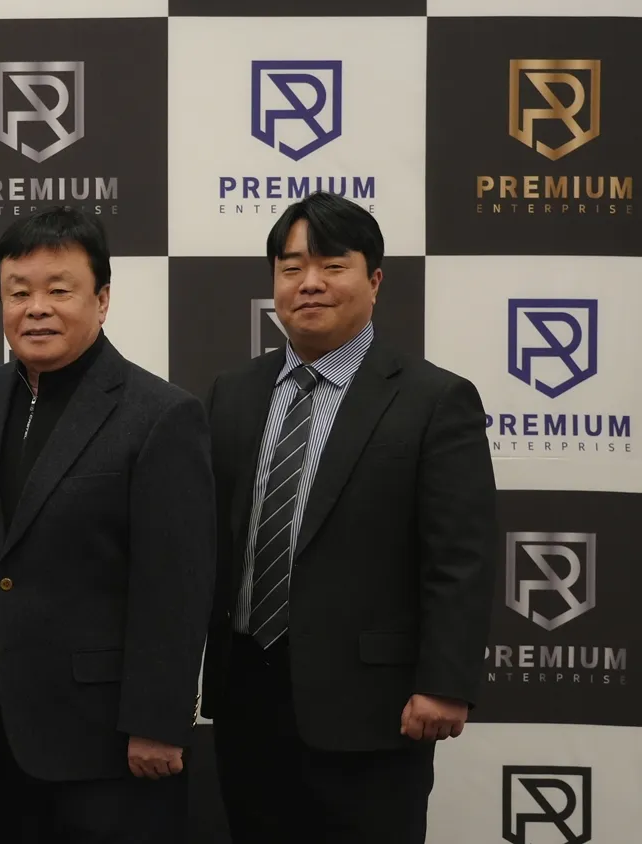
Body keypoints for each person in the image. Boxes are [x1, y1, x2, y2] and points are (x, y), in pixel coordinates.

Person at [199, 191, 499, 844]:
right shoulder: (232, 393)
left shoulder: (433, 399)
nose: (309, 282)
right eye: (291, 267)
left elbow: (462, 556)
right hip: (246, 695)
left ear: (375, 280)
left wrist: (445, 683)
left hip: (374, 708)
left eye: (332, 265)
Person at [0, 207, 216, 843]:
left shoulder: (161, 414)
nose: (36, 308)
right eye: (18, 293)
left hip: (113, 739)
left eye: (59, 290)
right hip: (5, 726)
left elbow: (177, 585)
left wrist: (158, 721)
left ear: (103, 299)